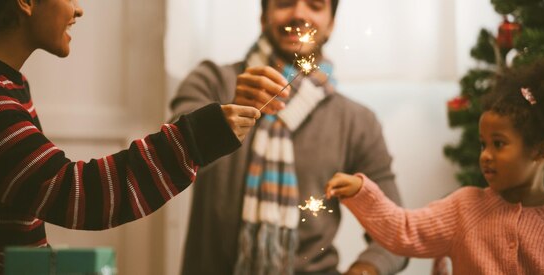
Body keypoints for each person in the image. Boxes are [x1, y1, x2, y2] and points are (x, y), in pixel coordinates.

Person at [0, 0, 261, 273]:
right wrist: (195, 139)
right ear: (26, 2)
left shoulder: (4, 87)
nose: (78, 9)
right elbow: (75, 193)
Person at [169, 0, 407, 274]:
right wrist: (224, 118)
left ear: (331, 24)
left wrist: (365, 270)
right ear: (263, 16)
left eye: (315, 5)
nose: (299, 14)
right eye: (284, 3)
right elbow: (167, 161)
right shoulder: (212, 82)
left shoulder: (357, 121)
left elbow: (395, 229)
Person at [326, 57, 544, 274]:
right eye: (482, 145)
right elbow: (404, 230)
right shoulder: (464, 208)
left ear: (540, 151)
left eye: (498, 144)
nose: (486, 155)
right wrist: (361, 191)